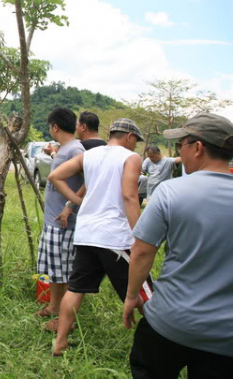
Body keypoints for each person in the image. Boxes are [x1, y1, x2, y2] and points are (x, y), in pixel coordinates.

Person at [123, 113, 233, 378]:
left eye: (181, 145)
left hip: (170, 322)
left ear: (197, 147)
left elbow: (142, 250)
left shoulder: (171, 191)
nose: (179, 152)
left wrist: (131, 295)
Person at [48, 118, 147, 356]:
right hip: (114, 237)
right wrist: (141, 234)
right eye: (136, 141)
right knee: (143, 292)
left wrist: (80, 201)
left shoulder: (89, 155)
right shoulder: (130, 157)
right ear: (130, 137)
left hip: (86, 233)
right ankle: (163, 340)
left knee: (75, 289)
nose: (135, 146)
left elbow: (55, 176)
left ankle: (59, 343)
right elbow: (130, 197)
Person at [35, 108, 85, 331]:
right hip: (53, 222)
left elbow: (89, 180)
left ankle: (65, 320)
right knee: (55, 271)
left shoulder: (76, 149)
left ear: (55, 126)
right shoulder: (66, 149)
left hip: (64, 224)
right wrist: (54, 153)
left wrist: (69, 205)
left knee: (64, 272)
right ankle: (54, 307)